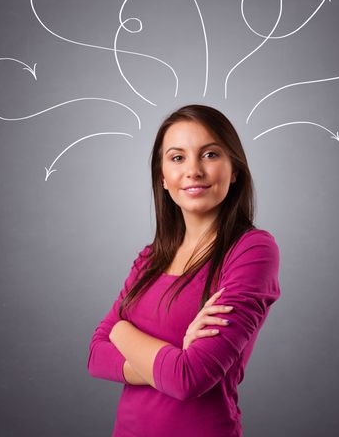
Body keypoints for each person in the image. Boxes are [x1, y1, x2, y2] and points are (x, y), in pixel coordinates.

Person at [87, 104, 281, 436]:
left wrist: (121, 332)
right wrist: (173, 357)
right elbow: (95, 355)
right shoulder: (150, 258)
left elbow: (188, 378)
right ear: (163, 178)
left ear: (234, 169)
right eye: (177, 158)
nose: (193, 170)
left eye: (209, 155)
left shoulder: (252, 250)